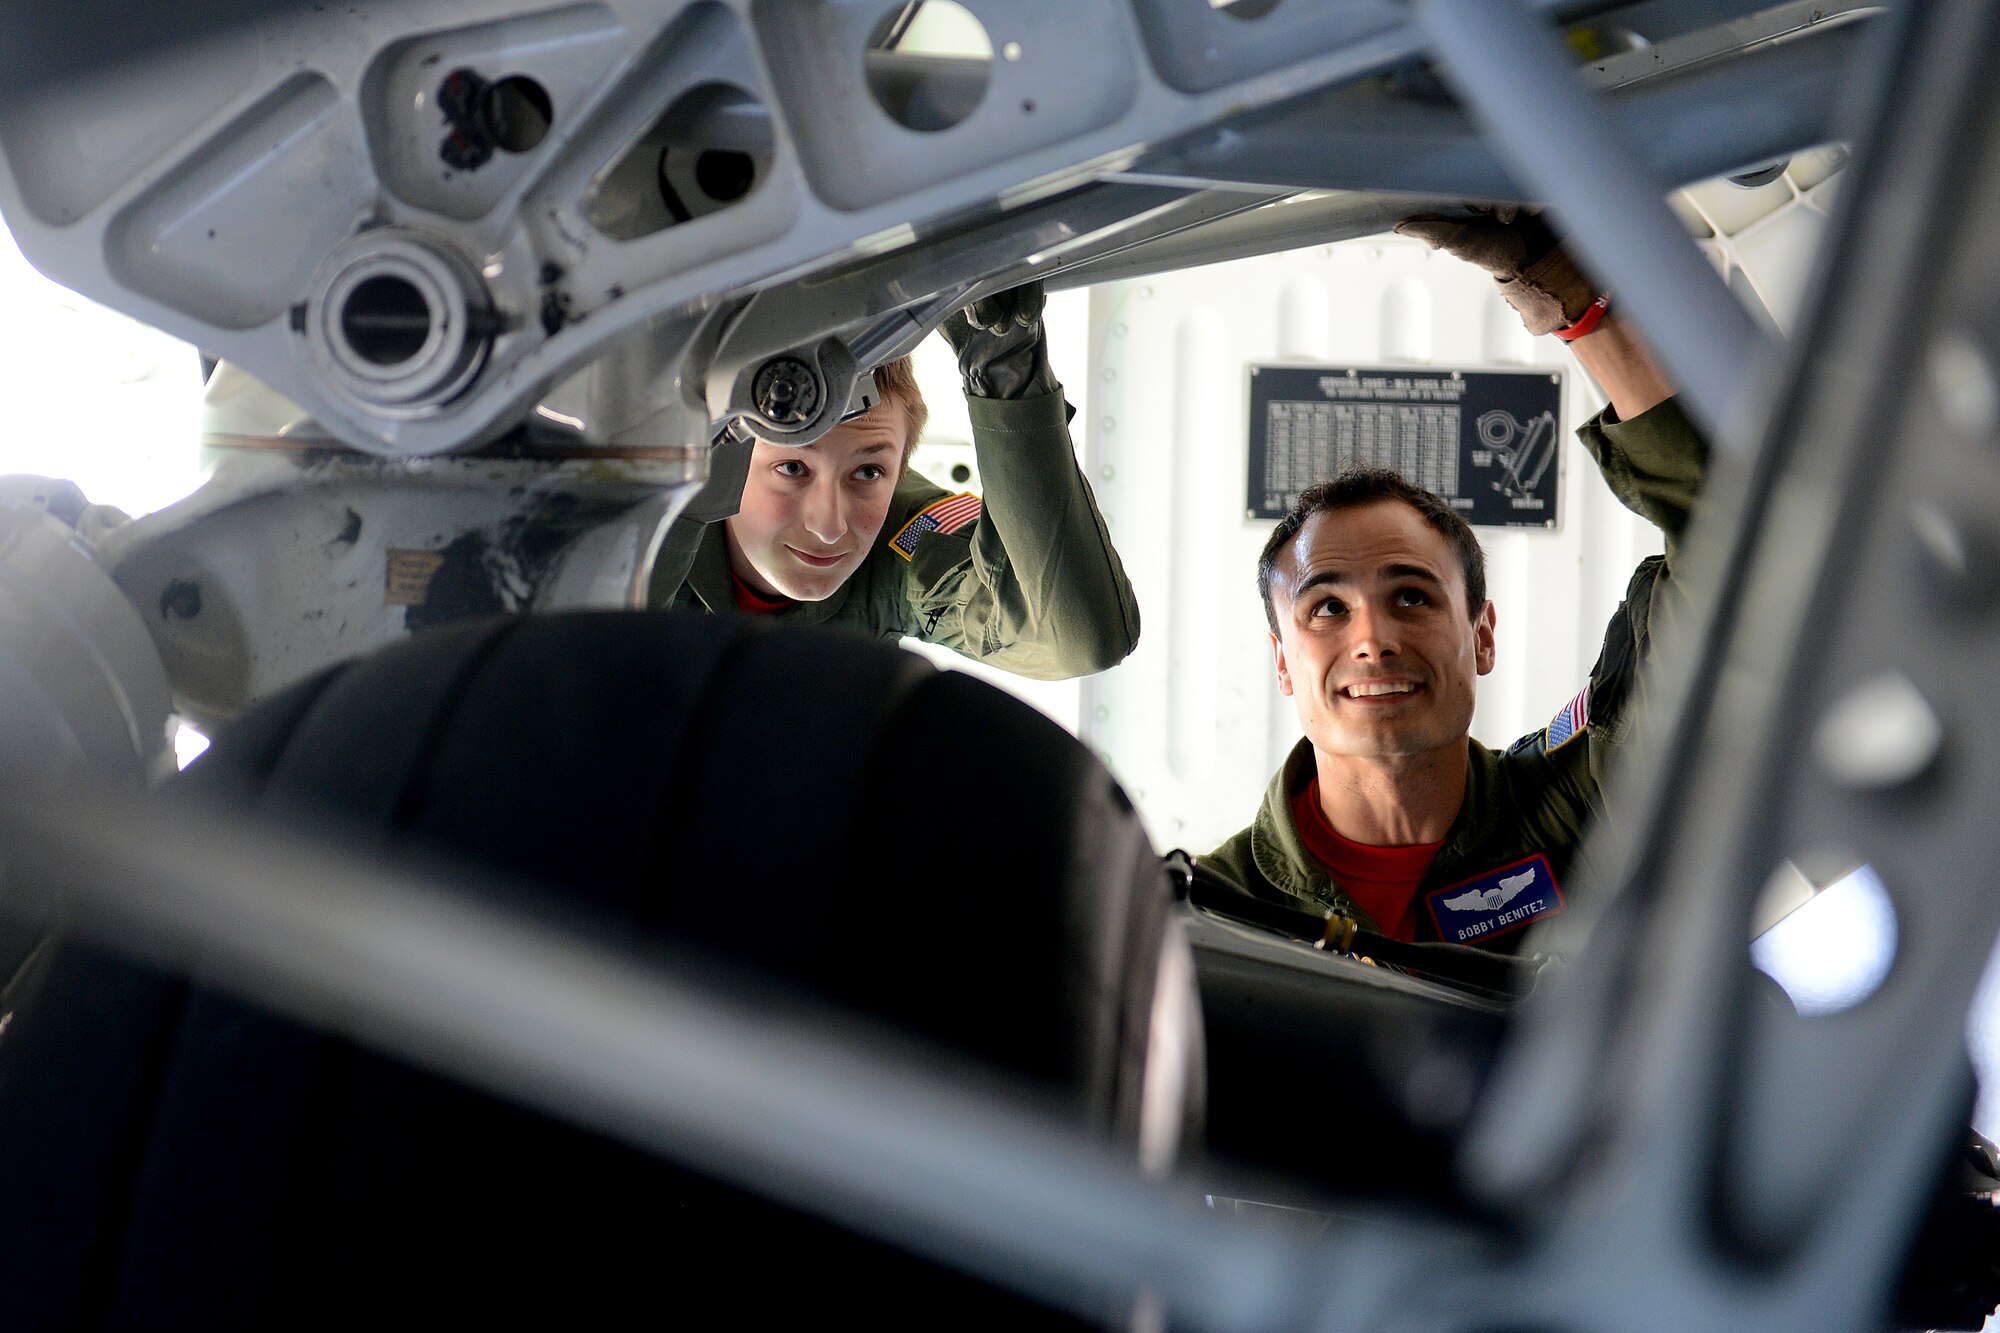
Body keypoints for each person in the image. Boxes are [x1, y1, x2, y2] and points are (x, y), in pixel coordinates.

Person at [1203, 210, 1702, 953]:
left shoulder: (1589, 800)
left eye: (1411, 595)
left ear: (1483, 633)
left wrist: (1559, 285)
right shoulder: (1212, 911)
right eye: (1327, 607)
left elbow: (1743, 541)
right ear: (1283, 662)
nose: (1371, 639)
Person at [648, 282, 1141, 681]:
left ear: (901, 470)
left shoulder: (901, 537)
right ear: (729, 458)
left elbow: (1075, 640)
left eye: (868, 472)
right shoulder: (644, 517)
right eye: (793, 468)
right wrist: (680, 495)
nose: (829, 526)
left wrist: (1004, 372)